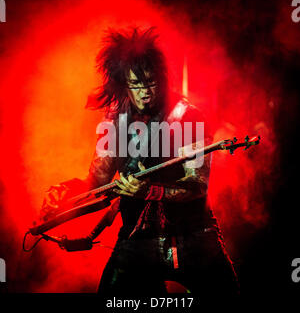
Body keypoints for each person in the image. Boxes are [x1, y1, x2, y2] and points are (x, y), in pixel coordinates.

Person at [41, 27, 239, 296]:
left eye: (151, 82)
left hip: (193, 238)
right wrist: (63, 194)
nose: (145, 91)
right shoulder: (114, 121)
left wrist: (150, 190)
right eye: (136, 84)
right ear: (123, 84)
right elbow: (97, 182)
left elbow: (197, 186)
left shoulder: (188, 117)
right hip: (137, 240)